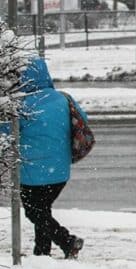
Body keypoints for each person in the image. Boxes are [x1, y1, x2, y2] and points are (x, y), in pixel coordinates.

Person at [1, 57, 86, 258]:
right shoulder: (63, 98)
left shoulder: (21, 104)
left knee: (34, 212)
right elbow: (83, 119)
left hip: (32, 172)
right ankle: (42, 254)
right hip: (60, 170)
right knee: (43, 211)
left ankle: (67, 241)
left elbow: (6, 131)